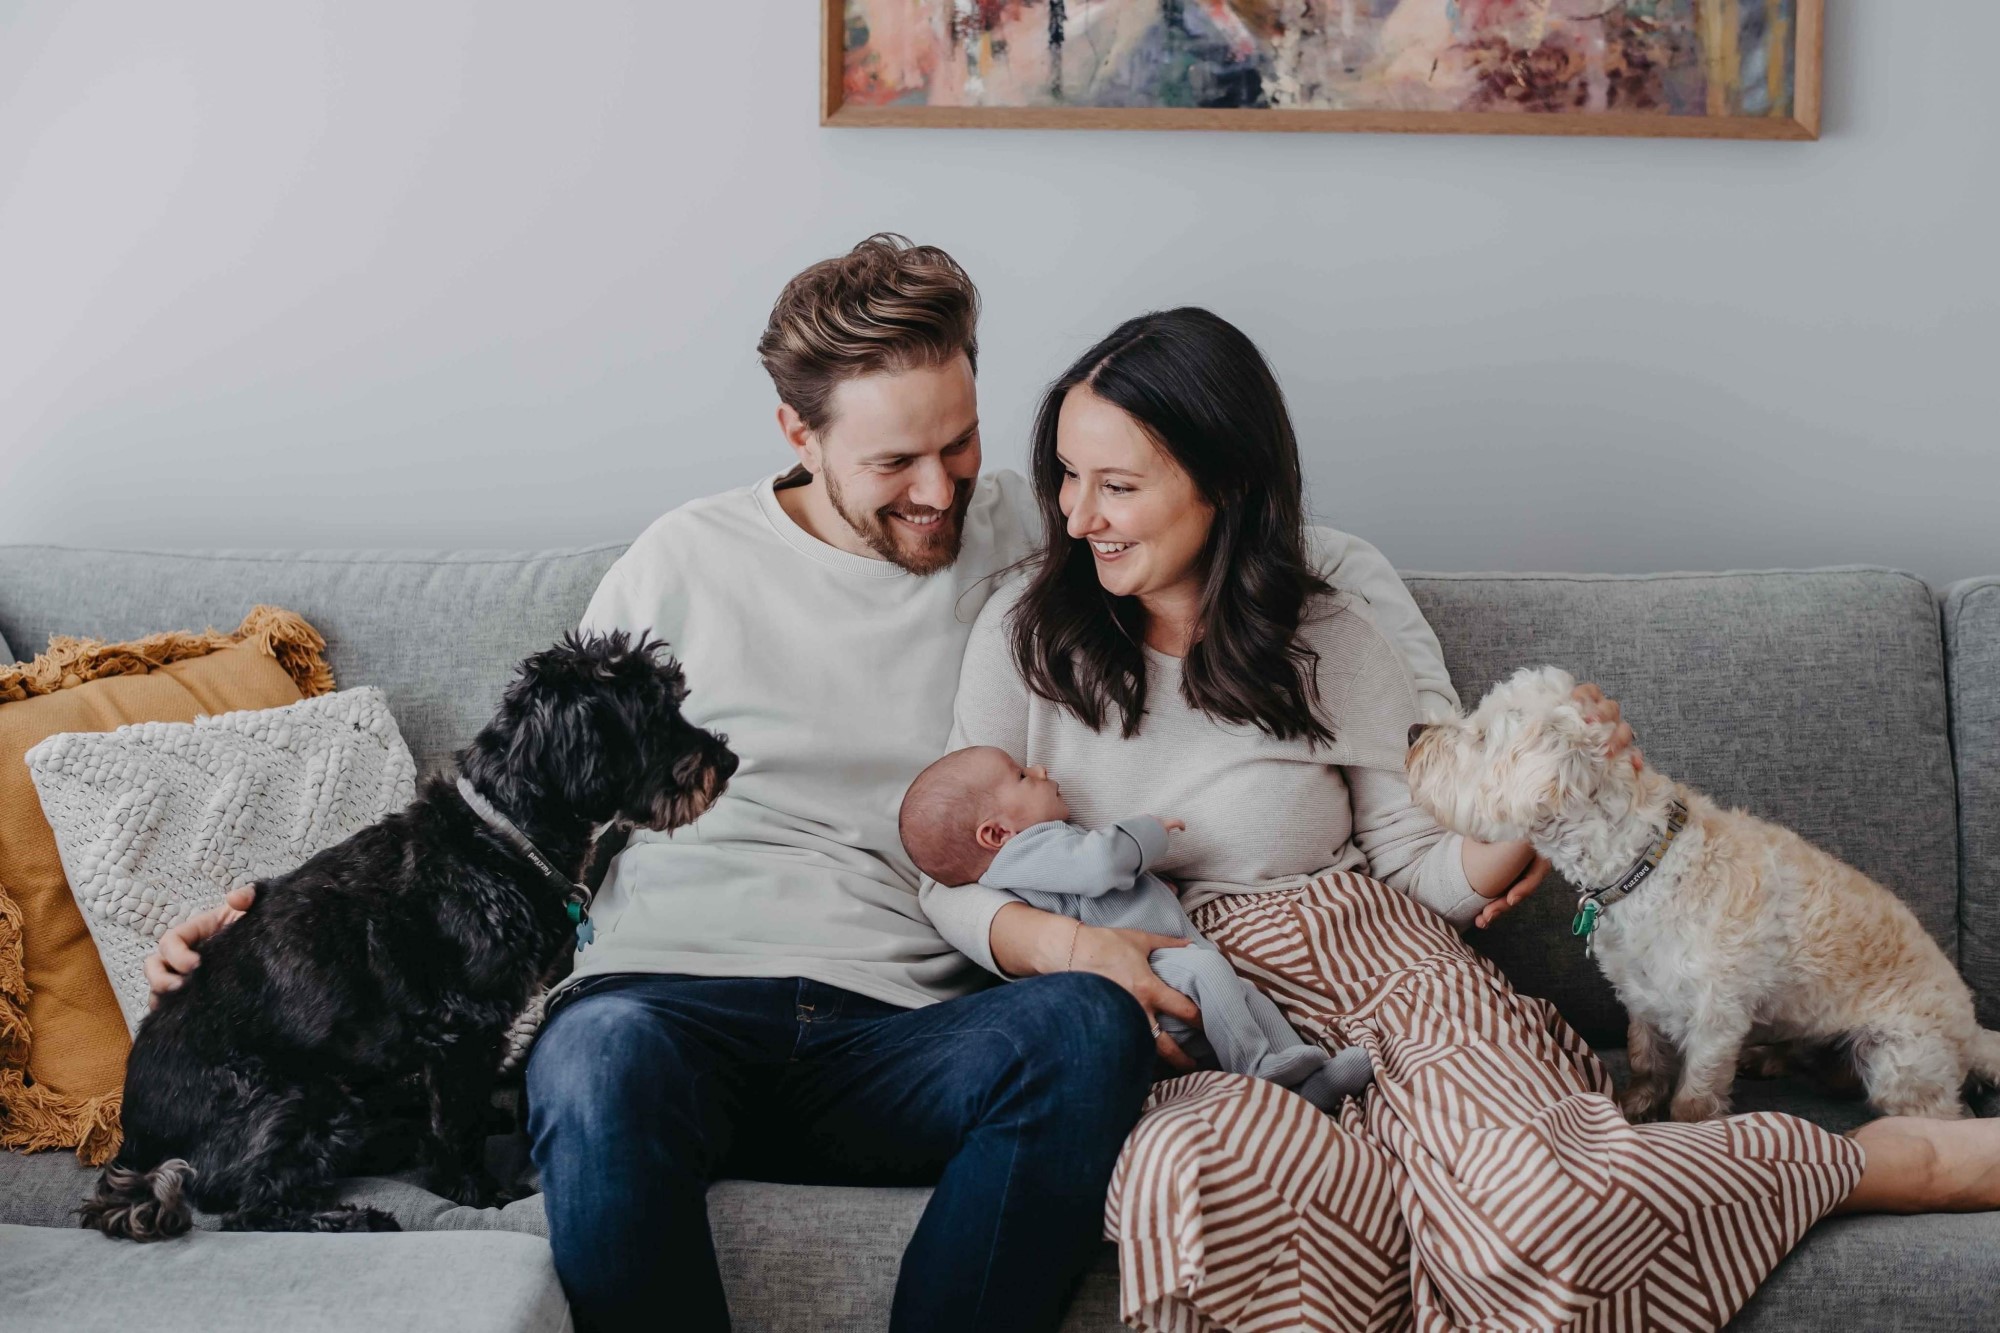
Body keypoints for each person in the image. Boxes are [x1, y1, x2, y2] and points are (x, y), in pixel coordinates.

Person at [143, 236, 1508, 1332]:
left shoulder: (1040, 540)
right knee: (597, 1058)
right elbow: (500, 800)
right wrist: (256, 931)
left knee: (1084, 1028)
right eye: (895, 463)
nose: (942, 490)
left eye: (962, 441)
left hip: (905, 1022)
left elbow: (1255, 545)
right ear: (796, 432)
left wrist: (1476, 756)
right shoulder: (679, 561)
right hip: (669, 1005)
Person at [918, 304, 2000, 1332]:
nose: (1075, 513)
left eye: (1115, 484)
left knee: (1531, 1199)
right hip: (1185, 1001)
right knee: (1201, 1180)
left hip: (1376, 962)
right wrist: (1069, 947)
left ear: (1223, 483)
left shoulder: (1325, 631)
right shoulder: (1022, 631)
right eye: (1064, 474)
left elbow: (1414, 862)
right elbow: (952, 879)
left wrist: (1536, 807)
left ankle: (1880, 1161)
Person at [899, 744, 1375, 1109]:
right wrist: (1146, 834)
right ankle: (1257, 1069)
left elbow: (1093, 891)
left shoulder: (1033, 863)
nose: (1042, 772)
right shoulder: (1029, 851)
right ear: (997, 833)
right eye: (1023, 776)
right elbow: (1098, 865)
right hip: (1141, 970)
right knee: (1211, 975)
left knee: (1246, 994)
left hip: (1157, 959)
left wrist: (1148, 885)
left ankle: (1308, 1079)